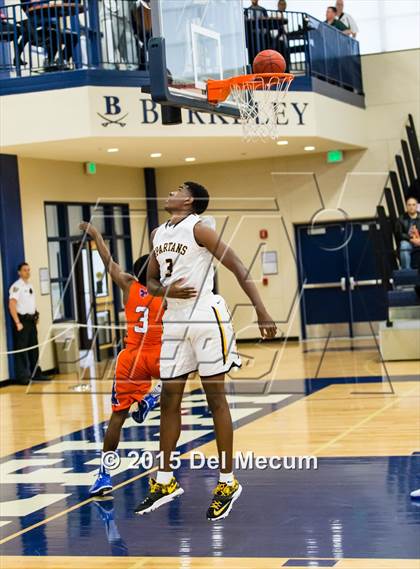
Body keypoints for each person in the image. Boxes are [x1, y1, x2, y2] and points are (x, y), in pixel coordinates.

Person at [134, 181, 277, 521]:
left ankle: (227, 482)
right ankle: (165, 481)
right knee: (169, 401)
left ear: (190, 201)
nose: (171, 192)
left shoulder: (199, 229)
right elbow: (148, 281)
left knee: (216, 400)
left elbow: (237, 265)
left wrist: (262, 311)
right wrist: (165, 292)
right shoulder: (158, 234)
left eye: (179, 189)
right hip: (175, 321)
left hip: (206, 318)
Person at [79, 222, 163, 497]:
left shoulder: (128, 285)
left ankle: (104, 475)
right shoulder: (165, 293)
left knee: (117, 418)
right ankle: (151, 399)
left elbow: (108, 262)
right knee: (183, 374)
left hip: (131, 358)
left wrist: (96, 235)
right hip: (156, 354)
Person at [9, 263, 49, 385]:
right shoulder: (16, 286)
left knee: (33, 348)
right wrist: (17, 322)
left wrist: (36, 315)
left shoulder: (30, 285)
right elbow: (12, 304)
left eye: (28, 270)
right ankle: (22, 376)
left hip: (31, 321)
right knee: (22, 349)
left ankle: (36, 373)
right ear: (19, 272)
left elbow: (31, 303)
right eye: (25, 270)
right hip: (22, 321)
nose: (27, 272)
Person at [395, 197, 420, 270]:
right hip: (408, 242)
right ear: (406, 206)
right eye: (409, 205)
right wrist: (411, 239)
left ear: (417, 206)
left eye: (413, 204)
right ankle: (407, 271)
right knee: (403, 245)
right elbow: (399, 234)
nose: (411, 207)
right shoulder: (401, 218)